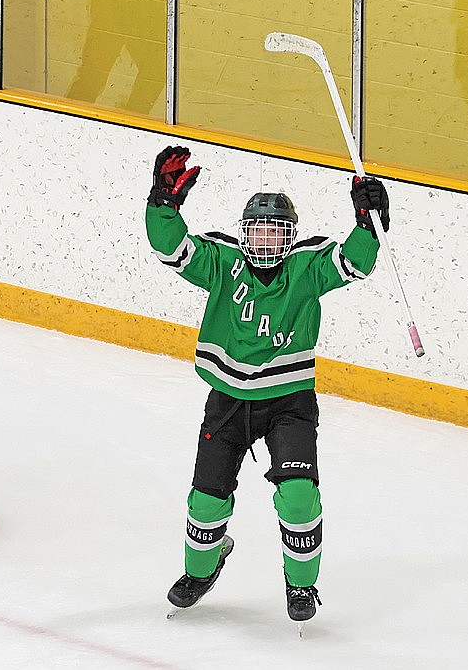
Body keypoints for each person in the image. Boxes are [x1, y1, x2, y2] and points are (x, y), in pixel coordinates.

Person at [145, 145, 390, 622]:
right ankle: (202, 569)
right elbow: (170, 249)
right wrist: (162, 206)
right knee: (205, 504)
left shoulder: (307, 266)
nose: (264, 240)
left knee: (299, 497)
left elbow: (356, 263)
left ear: (290, 236)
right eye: (257, 229)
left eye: (275, 231)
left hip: (289, 403)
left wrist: (368, 223)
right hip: (229, 401)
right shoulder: (222, 260)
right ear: (243, 232)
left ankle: (301, 587)